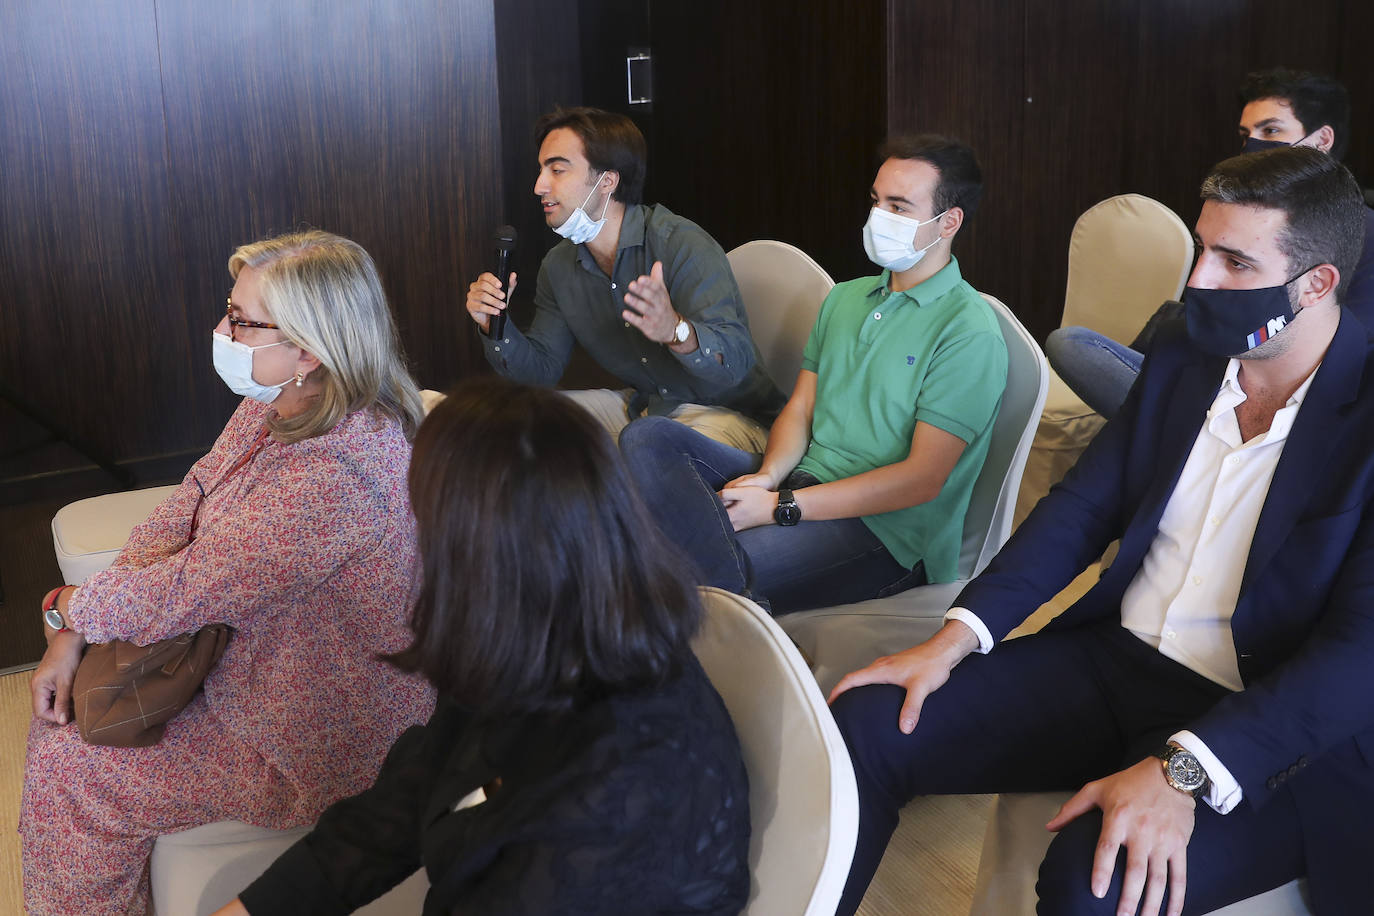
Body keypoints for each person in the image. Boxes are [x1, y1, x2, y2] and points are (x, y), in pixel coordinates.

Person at [828, 147, 1372, 916]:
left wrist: (1187, 769)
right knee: (867, 723)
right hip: (1119, 659)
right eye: (1201, 248)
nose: (1198, 280)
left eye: (1234, 262)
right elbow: (1082, 507)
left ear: (1316, 284)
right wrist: (955, 639)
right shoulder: (1186, 351)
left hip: (1271, 721)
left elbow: (1359, 657)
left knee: (1098, 881)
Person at [210, 378, 752, 916]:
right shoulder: (543, 637)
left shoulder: (618, 795)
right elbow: (400, 804)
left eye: (421, 524)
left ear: (482, 556)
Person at [21, 231, 437, 916]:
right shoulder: (280, 402)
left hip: (313, 732)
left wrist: (66, 609)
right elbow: (187, 502)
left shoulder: (338, 479)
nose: (221, 333)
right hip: (249, 670)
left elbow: (182, 593)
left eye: (242, 321)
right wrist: (72, 633)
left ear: (309, 349)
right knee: (65, 721)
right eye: (229, 310)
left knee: (71, 764)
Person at [620, 135, 1007, 614]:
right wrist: (768, 478)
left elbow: (922, 480)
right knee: (649, 438)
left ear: (949, 222)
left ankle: (698, 588)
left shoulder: (969, 331)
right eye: (876, 200)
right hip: (802, 480)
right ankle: (714, 585)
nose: (878, 216)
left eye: (899, 206)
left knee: (673, 561)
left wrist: (781, 508)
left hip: (886, 535)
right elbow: (801, 408)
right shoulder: (845, 298)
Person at [1048, 67, 1374, 419]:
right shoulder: (1229, 219)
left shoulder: (1361, 234)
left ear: (1322, 140)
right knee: (1072, 345)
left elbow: (1345, 351)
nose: (1254, 145)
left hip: (1266, 388)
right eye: (1246, 134)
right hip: (1203, 369)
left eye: (1271, 130)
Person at [464, 106, 784, 450]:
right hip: (648, 410)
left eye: (556, 170)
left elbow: (734, 364)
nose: (539, 186)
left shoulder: (682, 244)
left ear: (607, 181)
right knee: (506, 419)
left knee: (644, 442)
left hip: (734, 417)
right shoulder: (558, 267)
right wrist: (494, 326)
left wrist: (675, 330)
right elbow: (541, 371)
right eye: (541, 170)